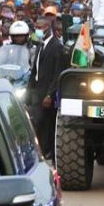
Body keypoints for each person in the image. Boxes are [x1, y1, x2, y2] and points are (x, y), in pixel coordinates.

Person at [28, 16, 65, 159]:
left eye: (38, 27)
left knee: (44, 125)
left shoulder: (56, 47)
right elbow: (35, 71)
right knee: (36, 124)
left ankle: (45, 152)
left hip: (46, 94)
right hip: (36, 92)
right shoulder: (41, 45)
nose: (36, 30)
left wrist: (50, 95)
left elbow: (57, 74)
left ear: (46, 28)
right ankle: (41, 152)